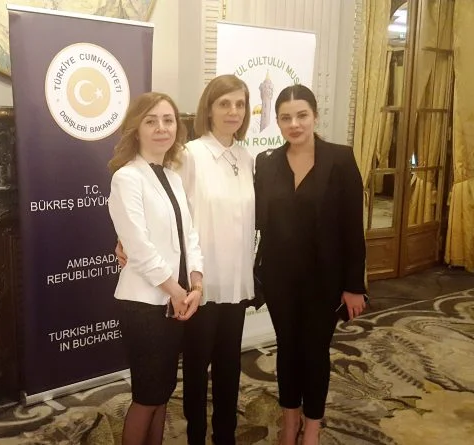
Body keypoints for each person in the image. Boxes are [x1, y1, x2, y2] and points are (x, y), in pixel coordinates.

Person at [117, 74, 256, 445]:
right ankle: (196, 436)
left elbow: (181, 217)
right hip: (195, 291)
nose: (233, 111)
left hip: (231, 281)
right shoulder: (189, 154)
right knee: (191, 371)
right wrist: (124, 240)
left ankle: (225, 436)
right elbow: (152, 209)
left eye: (240, 104)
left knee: (229, 366)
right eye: (224, 103)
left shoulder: (246, 158)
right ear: (208, 109)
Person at [254, 84, 367, 445]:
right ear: (277, 121)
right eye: (285, 117)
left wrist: (354, 285)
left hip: (325, 280)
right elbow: (251, 217)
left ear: (315, 116)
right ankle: (290, 422)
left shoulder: (340, 159)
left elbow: (353, 226)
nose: (295, 124)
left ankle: (313, 426)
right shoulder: (266, 163)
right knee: (287, 348)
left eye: (302, 115)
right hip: (280, 278)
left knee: (315, 352)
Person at [107, 91, 204, 445]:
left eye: (168, 120)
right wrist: (177, 291)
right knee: (147, 397)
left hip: (175, 301)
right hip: (144, 305)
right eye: (151, 121)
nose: (162, 128)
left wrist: (196, 283)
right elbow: (139, 247)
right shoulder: (127, 178)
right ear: (136, 128)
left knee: (162, 393)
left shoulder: (173, 177)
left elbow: (189, 236)